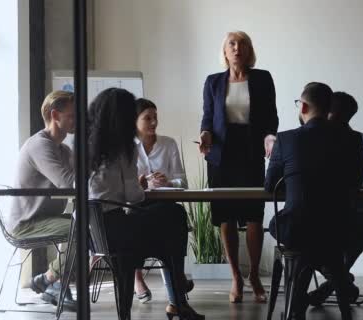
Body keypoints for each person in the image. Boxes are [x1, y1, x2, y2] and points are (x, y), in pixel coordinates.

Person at [87, 88, 203, 320]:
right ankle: (178, 293)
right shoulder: (122, 149)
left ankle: (176, 297)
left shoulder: (84, 145)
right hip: (118, 232)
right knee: (175, 216)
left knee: (169, 222)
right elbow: (135, 197)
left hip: (92, 233)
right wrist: (141, 183)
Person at [265, 82, 363, 320]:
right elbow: (355, 183)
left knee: (288, 233)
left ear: (304, 106)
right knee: (320, 244)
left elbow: (270, 186)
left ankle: (295, 309)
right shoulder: (353, 140)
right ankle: (332, 284)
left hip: (297, 230)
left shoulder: (286, 140)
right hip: (340, 229)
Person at [199, 30, 278, 304]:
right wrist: (206, 136)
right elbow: (208, 118)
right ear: (224, 51)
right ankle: (236, 277)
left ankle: (254, 275)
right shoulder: (213, 82)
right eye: (232, 44)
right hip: (222, 155)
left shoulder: (262, 78)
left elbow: (271, 116)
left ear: (249, 50)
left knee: (254, 215)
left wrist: (270, 137)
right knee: (226, 216)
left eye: (242, 44)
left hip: (251, 151)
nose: (237, 48)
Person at [308, 91, 363, 305]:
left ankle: (335, 282)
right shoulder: (310, 140)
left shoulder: (362, 142)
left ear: (330, 113)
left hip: (351, 218)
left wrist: (350, 183)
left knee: (311, 240)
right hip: (323, 218)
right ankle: (342, 281)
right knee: (307, 240)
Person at [8, 90, 76, 311]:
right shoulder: (40, 145)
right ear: (55, 115)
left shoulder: (63, 149)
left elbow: (83, 181)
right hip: (28, 223)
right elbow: (69, 182)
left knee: (91, 224)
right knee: (83, 228)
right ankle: (51, 281)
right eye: (72, 115)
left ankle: (50, 281)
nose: (77, 120)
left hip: (47, 217)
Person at [132, 98, 192, 304]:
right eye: (147, 118)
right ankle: (143, 278)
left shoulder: (168, 143)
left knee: (174, 216)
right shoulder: (127, 147)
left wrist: (168, 181)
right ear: (135, 120)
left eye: (155, 117)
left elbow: (182, 180)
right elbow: (123, 182)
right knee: (173, 219)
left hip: (164, 203)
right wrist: (142, 181)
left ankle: (176, 279)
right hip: (136, 205)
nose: (153, 122)